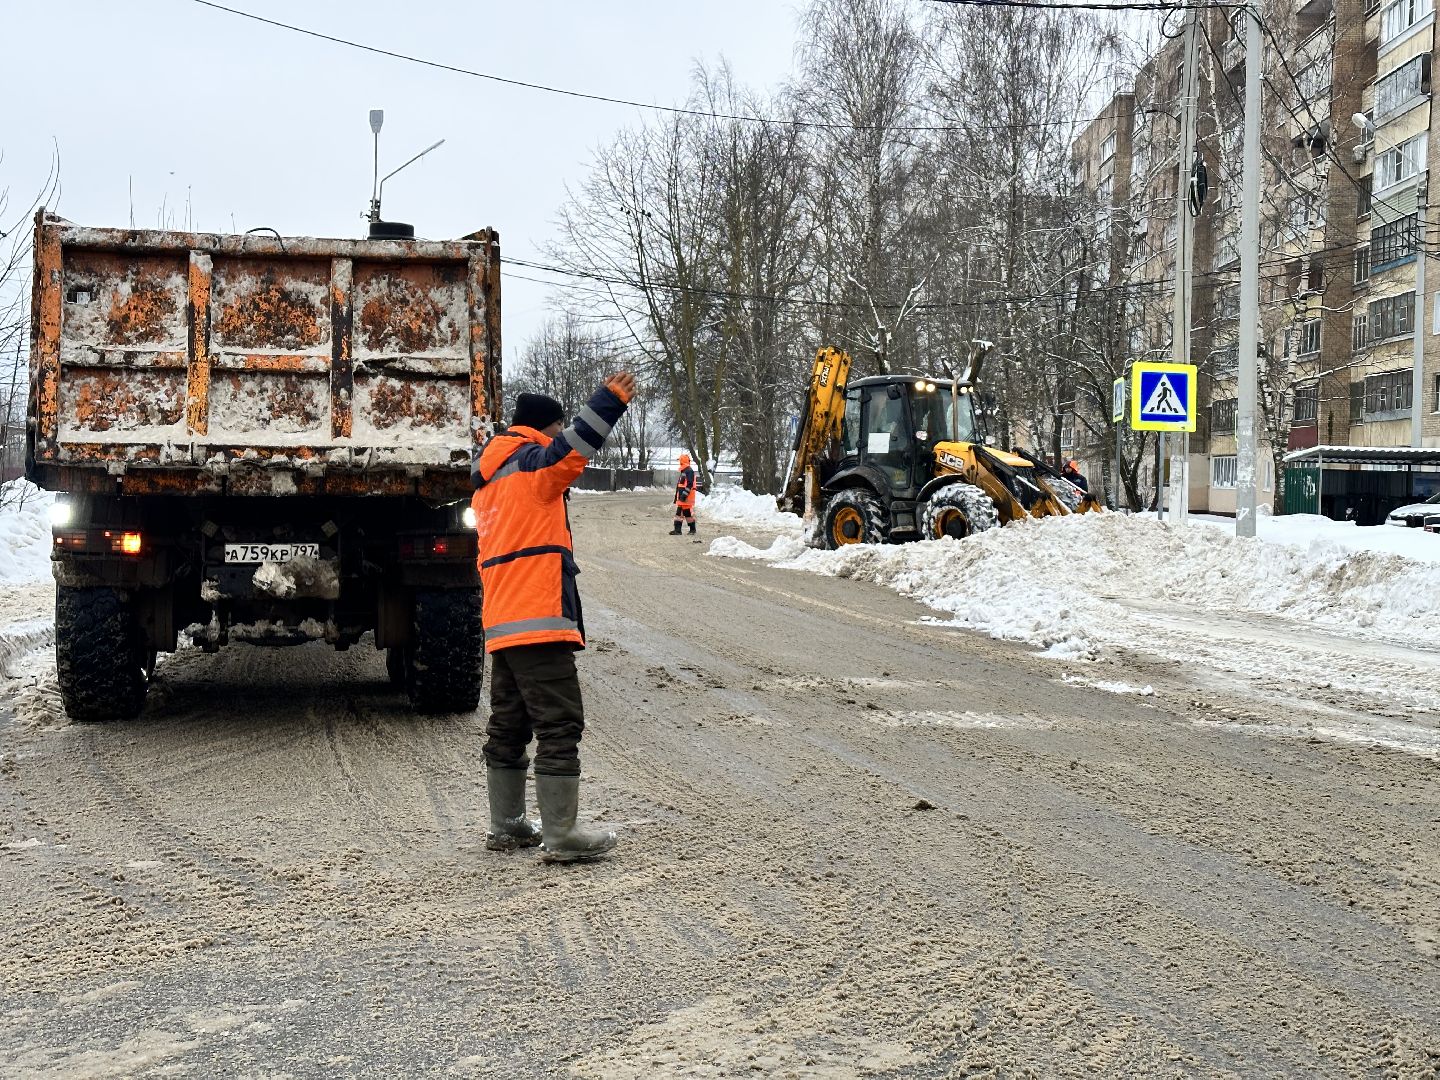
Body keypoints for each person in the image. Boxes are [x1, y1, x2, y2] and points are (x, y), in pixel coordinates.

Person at [470, 373, 635, 863]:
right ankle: (561, 833)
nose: (559, 434)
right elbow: (575, 446)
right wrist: (609, 401)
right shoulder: (534, 465)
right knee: (560, 723)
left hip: (503, 623)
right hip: (539, 617)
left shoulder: (490, 479)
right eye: (556, 427)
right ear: (546, 427)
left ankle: (506, 826)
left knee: (509, 723)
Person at [671, 453, 698, 535]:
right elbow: (681, 485)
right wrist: (677, 497)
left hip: (686, 497)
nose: (679, 463)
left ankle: (678, 530)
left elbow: (690, 484)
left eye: (680, 461)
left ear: (682, 461)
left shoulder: (688, 471)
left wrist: (684, 496)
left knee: (680, 513)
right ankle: (690, 530)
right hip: (684, 497)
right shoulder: (686, 470)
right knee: (686, 513)